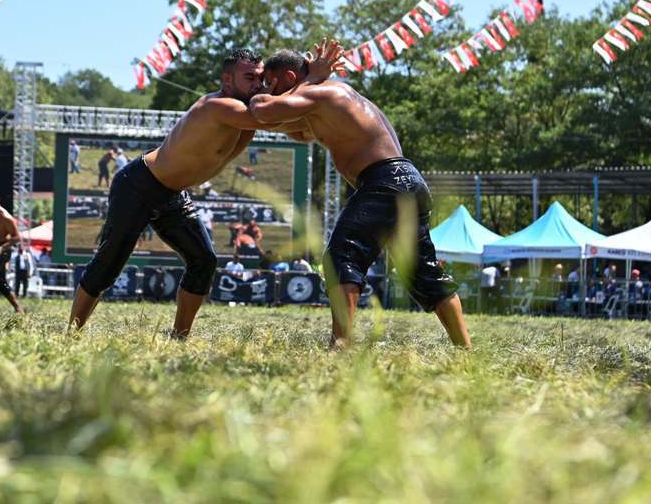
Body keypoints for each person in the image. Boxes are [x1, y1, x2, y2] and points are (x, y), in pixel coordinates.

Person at [68, 43, 341, 335]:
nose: (258, 84)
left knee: (204, 261)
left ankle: (180, 335)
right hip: (139, 184)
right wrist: (310, 81)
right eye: (249, 78)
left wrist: (311, 86)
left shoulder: (249, 114)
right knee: (110, 263)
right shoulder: (218, 106)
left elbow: (299, 131)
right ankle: (73, 332)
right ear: (227, 81)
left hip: (173, 195)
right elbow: (276, 115)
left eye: (261, 78)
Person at [249, 45, 469, 348]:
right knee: (423, 272)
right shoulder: (325, 99)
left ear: (289, 76)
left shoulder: (321, 93)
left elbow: (261, 110)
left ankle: (341, 344)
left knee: (342, 255)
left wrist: (302, 82)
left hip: (384, 182)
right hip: (408, 181)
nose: (265, 89)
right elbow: (295, 130)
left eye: (269, 82)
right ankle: (465, 348)